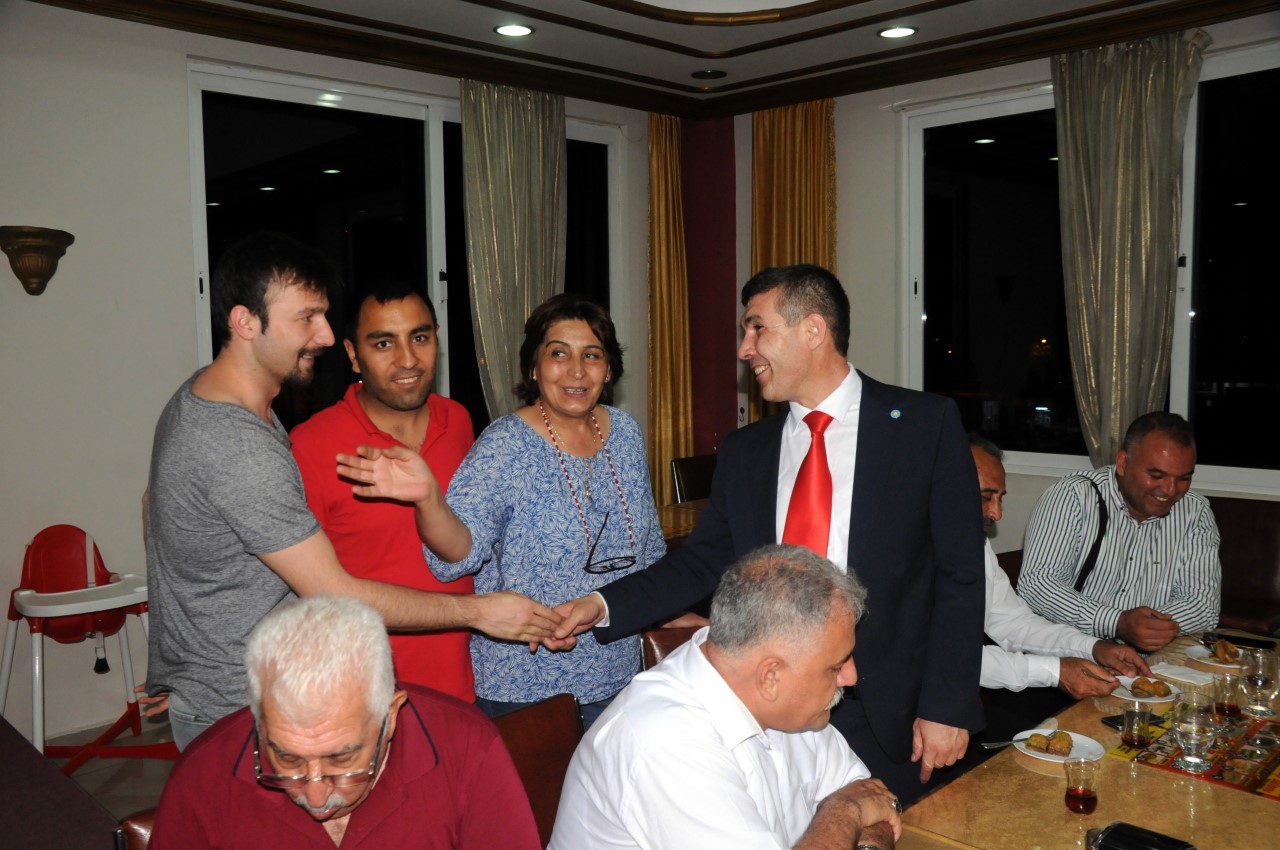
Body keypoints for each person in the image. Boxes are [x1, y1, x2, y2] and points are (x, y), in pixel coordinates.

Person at [551, 264, 986, 804]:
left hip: (887, 712)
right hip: (770, 709)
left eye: (757, 328)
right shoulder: (746, 452)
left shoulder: (924, 426)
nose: (744, 349)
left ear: (813, 330)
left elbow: (960, 576)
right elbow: (701, 563)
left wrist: (946, 706)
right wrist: (600, 605)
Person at [144, 231, 562, 748]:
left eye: (323, 316)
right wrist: (480, 612)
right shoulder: (240, 443)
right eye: (306, 318)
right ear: (245, 322)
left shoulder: (213, 401)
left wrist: (180, 659)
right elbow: (332, 591)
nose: (322, 336)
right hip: (247, 706)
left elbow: (159, 510)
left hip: (247, 689)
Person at [338, 293, 665, 730]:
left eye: (592, 355)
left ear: (608, 370)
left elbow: (649, 551)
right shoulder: (504, 446)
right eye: (558, 354)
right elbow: (458, 554)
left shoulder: (625, 433)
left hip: (622, 674)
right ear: (534, 367)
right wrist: (428, 498)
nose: (576, 370)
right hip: (528, 689)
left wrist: (673, 612)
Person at [550, 545, 902, 850]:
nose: (850, 677)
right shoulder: (666, 745)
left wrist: (862, 832)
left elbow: (869, 795)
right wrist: (844, 813)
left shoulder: (776, 694)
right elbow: (855, 803)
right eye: (835, 666)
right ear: (770, 676)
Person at [149, 595, 541, 849]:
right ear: (258, 718)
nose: (316, 797)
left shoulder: (467, 745)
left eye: (342, 759)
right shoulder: (202, 774)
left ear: (390, 715)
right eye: (287, 759)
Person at [290, 279, 477, 701]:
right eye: (383, 344)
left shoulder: (458, 421)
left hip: (464, 685)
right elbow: (295, 589)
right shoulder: (311, 445)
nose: (407, 359)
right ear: (353, 355)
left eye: (420, 338)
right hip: (362, 696)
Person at [1017, 412, 1221, 652]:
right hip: (1069, 652)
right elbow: (1037, 585)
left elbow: (1203, 605)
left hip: (1147, 660)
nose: (1170, 490)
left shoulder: (1195, 512)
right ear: (1123, 463)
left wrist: (1149, 628)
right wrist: (1117, 622)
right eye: (1156, 475)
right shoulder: (1074, 496)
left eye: (1184, 478)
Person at [970, 435, 1150, 698]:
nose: (997, 514)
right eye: (986, 497)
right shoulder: (908, 553)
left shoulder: (975, 544)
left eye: (1000, 499)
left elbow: (1013, 622)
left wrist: (1093, 648)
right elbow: (946, 656)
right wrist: (1054, 671)